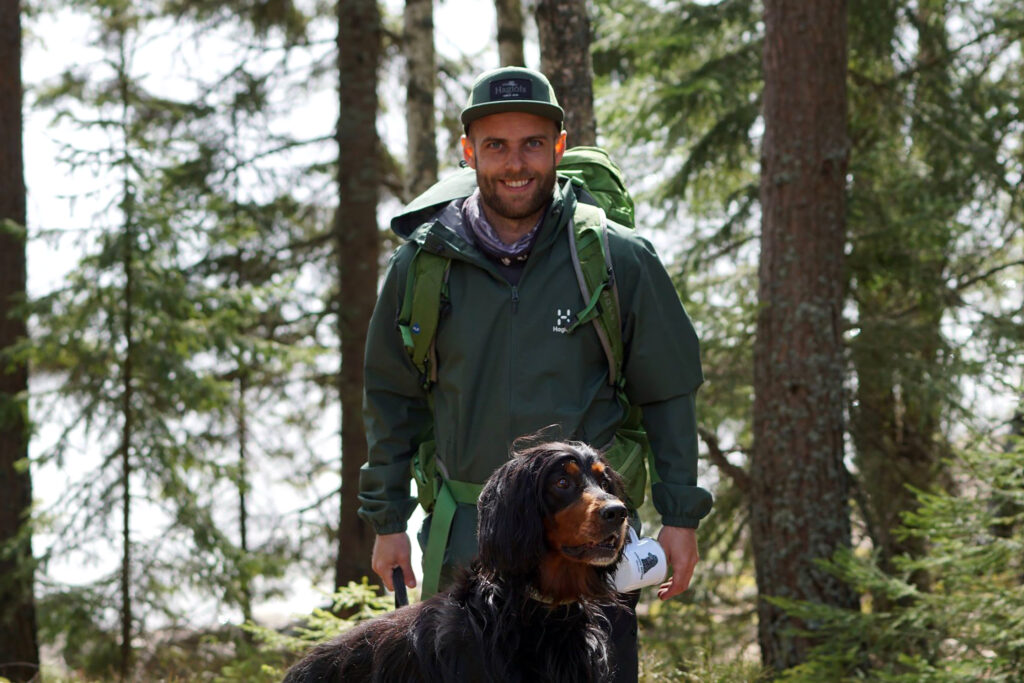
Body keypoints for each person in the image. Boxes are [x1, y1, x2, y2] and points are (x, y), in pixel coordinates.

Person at [358, 65, 712, 681]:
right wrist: (388, 521)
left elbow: (669, 393)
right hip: (468, 541)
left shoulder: (618, 258)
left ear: (559, 147)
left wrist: (681, 516)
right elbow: (392, 397)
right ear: (469, 152)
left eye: (531, 143)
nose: (514, 163)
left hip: (588, 550)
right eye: (495, 145)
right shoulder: (423, 265)